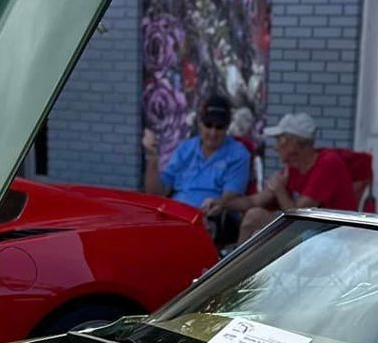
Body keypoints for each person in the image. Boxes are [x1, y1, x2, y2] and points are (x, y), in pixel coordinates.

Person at [228, 111, 358, 240]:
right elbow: (256, 200)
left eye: (279, 140)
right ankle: (236, 260)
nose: (276, 147)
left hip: (335, 235)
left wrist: (279, 190)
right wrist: (223, 204)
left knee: (256, 220)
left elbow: (299, 216)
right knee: (254, 219)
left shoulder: (327, 164)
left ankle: (238, 260)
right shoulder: (293, 167)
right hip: (313, 231)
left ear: (294, 143)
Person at [142, 94, 252, 230]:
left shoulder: (238, 154)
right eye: (208, 125)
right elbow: (155, 194)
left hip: (209, 219)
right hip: (175, 215)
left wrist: (215, 205)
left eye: (219, 127)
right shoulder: (185, 148)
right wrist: (152, 157)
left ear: (227, 127)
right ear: (200, 123)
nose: (213, 132)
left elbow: (229, 199)